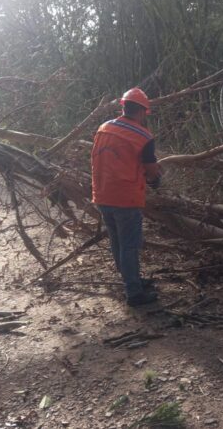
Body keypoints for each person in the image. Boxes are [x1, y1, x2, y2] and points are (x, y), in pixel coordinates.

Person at [91, 87, 161, 306]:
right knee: (129, 246)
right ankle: (134, 294)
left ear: (124, 107)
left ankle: (131, 281)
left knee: (117, 243)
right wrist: (156, 179)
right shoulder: (143, 136)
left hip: (102, 195)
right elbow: (151, 169)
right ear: (141, 112)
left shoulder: (104, 128)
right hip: (126, 199)